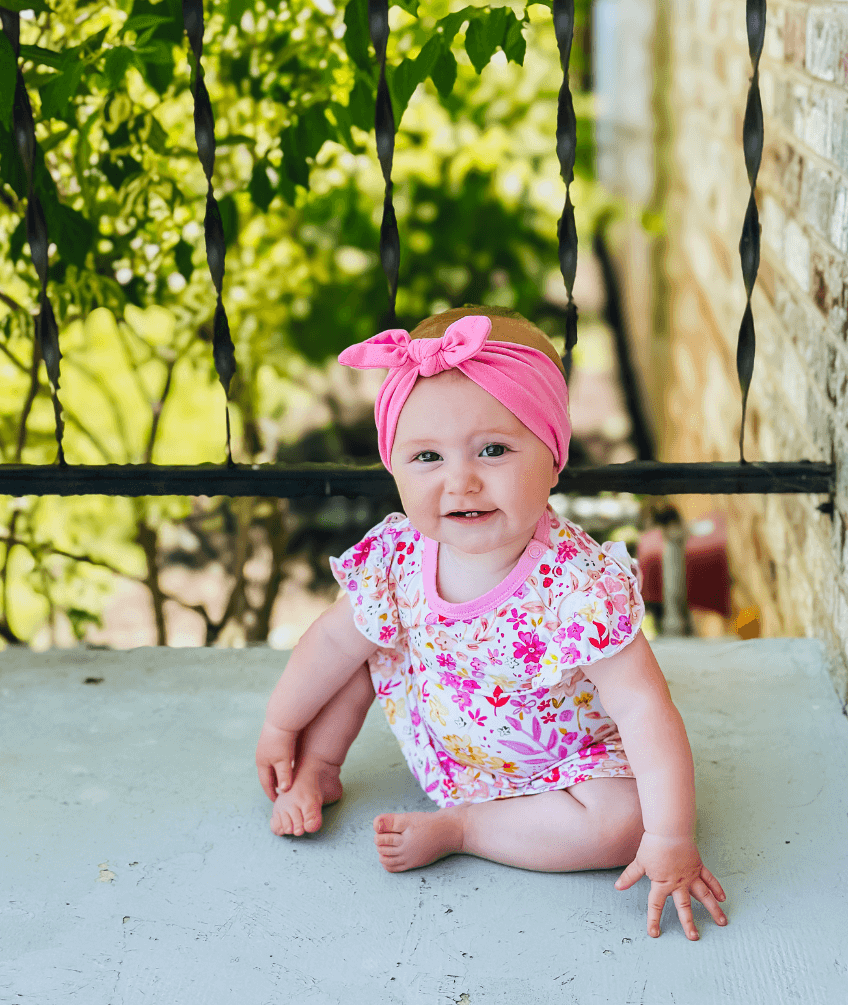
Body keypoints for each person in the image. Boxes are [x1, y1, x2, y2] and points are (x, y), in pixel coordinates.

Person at [255, 305, 727, 941]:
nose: (462, 481)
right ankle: (318, 764)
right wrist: (281, 724)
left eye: (495, 449)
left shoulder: (575, 587)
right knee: (365, 640)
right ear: (393, 464)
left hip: (564, 767)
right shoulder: (400, 556)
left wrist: (671, 837)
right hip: (443, 735)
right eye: (426, 456)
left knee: (624, 824)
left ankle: (466, 828)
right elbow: (328, 644)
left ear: (554, 458)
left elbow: (645, 709)